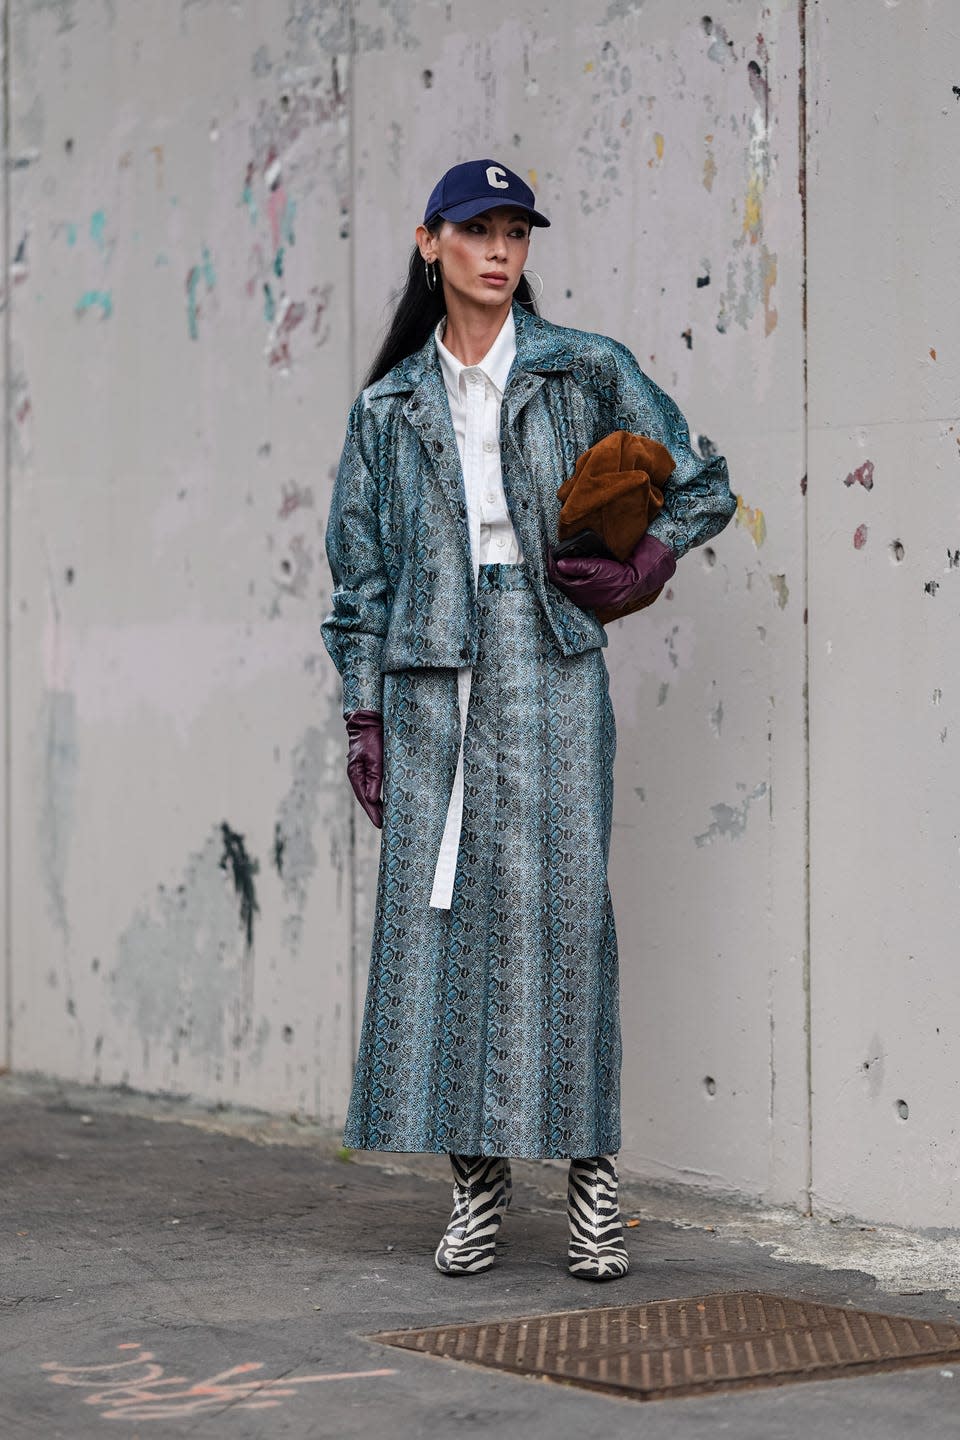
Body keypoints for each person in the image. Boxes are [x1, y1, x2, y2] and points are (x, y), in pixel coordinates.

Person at [322, 158, 735, 1281]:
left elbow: (704, 480)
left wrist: (648, 558)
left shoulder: (585, 368)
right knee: (440, 926)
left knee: (563, 917)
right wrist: (363, 713)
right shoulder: (388, 406)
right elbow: (357, 580)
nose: (500, 251)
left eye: (517, 232)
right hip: (427, 674)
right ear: (430, 244)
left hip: (548, 655)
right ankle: (476, 1189)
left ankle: (592, 1182)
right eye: (478, 231)